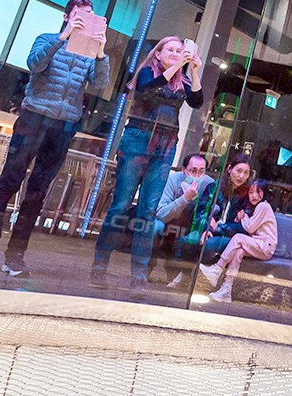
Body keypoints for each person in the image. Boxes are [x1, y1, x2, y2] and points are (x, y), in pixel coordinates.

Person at [0, 0, 112, 277]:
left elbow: (99, 84)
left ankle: (16, 256)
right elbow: (35, 64)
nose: (84, 21)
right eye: (79, 16)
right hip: (34, 117)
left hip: (64, 125)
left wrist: (100, 51)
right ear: (66, 16)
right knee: (9, 181)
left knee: (38, 191)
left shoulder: (89, 53)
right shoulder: (48, 38)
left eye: (90, 17)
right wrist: (64, 36)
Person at [91, 36, 204, 288]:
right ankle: (100, 264)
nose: (176, 53)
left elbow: (197, 102)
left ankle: (138, 276)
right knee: (120, 204)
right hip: (137, 140)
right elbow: (147, 90)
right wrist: (178, 66)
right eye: (171, 50)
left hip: (165, 145)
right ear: (158, 54)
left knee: (148, 211)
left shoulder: (181, 80)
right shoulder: (145, 72)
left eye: (180, 50)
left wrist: (193, 72)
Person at [198, 179, 278, 303]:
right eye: (251, 192)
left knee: (238, 238)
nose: (254, 195)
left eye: (258, 192)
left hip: (266, 246)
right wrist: (242, 217)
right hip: (258, 244)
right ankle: (226, 289)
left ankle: (217, 268)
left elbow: (250, 227)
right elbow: (248, 226)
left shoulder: (264, 206)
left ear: (264, 193)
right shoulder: (257, 208)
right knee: (238, 251)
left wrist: (244, 217)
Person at [176, 155, 254, 268]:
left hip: (232, 237)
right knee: (185, 241)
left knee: (209, 244)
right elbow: (199, 212)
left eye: (246, 173)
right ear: (229, 169)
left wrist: (217, 228)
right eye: (239, 171)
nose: (241, 176)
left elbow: (244, 227)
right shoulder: (214, 187)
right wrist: (206, 228)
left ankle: (190, 276)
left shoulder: (247, 196)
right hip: (209, 231)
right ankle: (182, 274)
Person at [152, 152, 214, 288]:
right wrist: (184, 198)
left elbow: (215, 208)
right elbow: (161, 213)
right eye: (193, 171)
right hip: (170, 222)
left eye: (201, 171)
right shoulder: (173, 180)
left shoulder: (209, 184)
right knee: (156, 228)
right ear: (184, 170)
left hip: (193, 226)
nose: (197, 176)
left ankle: (182, 276)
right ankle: (148, 268)